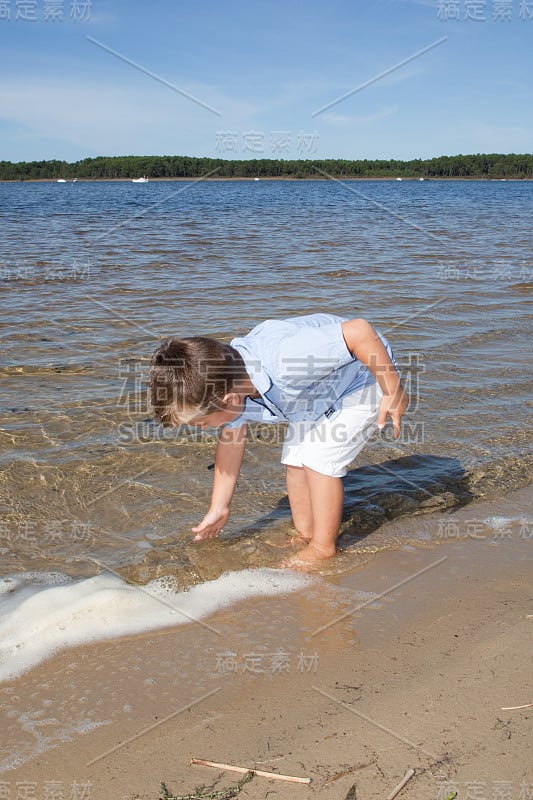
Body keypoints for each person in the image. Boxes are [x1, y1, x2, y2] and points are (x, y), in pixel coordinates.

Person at [149, 314, 408, 568]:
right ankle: (306, 534)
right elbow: (231, 442)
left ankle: (323, 548)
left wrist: (393, 389)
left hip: (367, 374)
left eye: (202, 423)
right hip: (315, 392)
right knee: (295, 461)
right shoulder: (229, 383)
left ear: (230, 400)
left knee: (319, 458)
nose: (204, 429)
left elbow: (359, 332)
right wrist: (219, 507)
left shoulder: (286, 360)